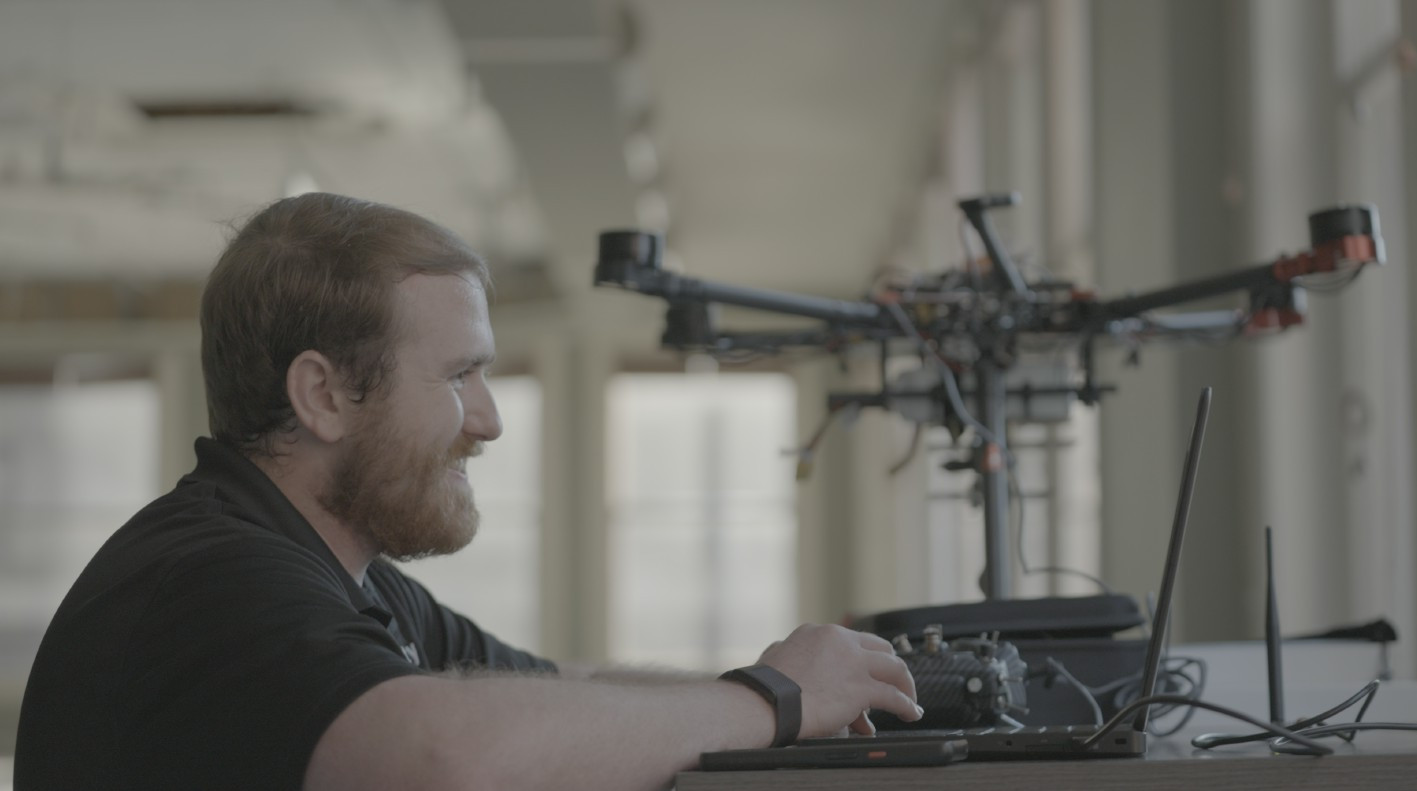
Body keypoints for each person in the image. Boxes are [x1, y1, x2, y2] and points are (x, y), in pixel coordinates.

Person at [14, 193, 921, 790]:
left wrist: (778, 694)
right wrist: (772, 700)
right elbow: (443, 751)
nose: (487, 420)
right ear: (323, 395)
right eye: (459, 376)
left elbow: (555, 687)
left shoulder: (345, 576)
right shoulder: (211, 579)